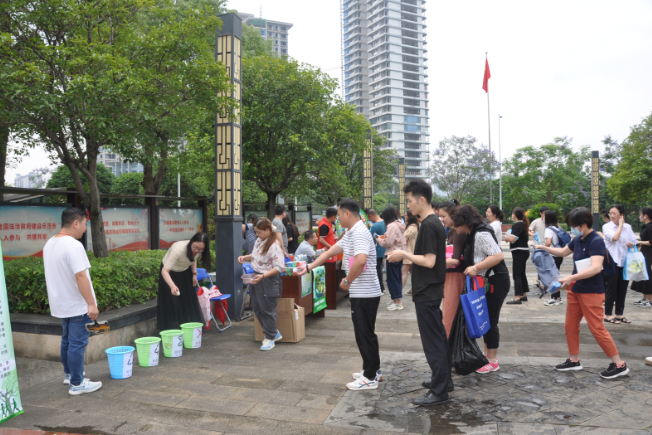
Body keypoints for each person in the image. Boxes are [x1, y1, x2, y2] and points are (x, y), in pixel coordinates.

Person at [297, 199, 382, 390]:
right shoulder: (352, 232)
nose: (337, 219)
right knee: (365, 333)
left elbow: (360, 261)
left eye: (339, 215)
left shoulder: (359, 233)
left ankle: (369, 377)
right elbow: (329, 253)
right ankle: (373, 370)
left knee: (364, 334)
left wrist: (347, 280)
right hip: (362, 291)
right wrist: (308, 267)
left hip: (365, 292)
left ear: (347, 213)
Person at [535, 207, 630, 379]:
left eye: (573, 225)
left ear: (583, 224)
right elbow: (563, 251)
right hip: (576, 290)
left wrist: (571, 277)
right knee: (570, 326)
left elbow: (595, 268)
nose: (572, 228)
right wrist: (543, 247)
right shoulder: (579, 239)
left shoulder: (596, 241)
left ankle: (619, 364)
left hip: (591, 292)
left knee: (597, 328)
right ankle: (574, 360)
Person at [388, 180, 450, 406]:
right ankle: (443, 381)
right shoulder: (431, 223)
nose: (408, 206)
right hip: (430, 289)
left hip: (427, 290)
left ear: (421, 200)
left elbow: (429, 261)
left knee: (433, 342)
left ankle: (439, 391)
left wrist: (403, 255)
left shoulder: (430, 225)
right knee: (438, 338)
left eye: (409, 201)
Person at [43, 207, 102, 396]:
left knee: (67, 341)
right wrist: (91, 304)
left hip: (61, 304)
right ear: (76, 223)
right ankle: (77, 383)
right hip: (77, 305)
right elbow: (80, 276)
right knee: (77, 344)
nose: (85, 228)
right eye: (85, 223)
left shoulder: (49, 244)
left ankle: (70, 375)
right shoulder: (74, 246)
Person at [451, 205, 511, 374]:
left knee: (490, 320)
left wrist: (476, 267)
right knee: (486, 319)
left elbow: (498, 255)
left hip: (495, 280)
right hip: (488, 280)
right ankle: (487, 356)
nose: (453, 227)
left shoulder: (481, 234)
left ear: (464, 221)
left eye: (455, 223)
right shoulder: (473, 232)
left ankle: (492, 360)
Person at [238, 219, 286, 351]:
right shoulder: (260, 240)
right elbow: (256, 256)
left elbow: (279, 267)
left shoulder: (274, 245)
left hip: (268, 279)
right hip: (257, 276)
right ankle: (273, 332)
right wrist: (245, 257)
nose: (256, 235)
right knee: (257, 308)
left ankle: (270, 337)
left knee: (267, 309)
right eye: (255, 232)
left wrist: (263, 276)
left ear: (268, 230)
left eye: (259, 232)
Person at [157, 232, 211, 331]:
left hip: (185, 271)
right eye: (195, 247)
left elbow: (193, 258)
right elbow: (164, 271)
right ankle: (173, 330)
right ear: (191, 242)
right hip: (170, 273)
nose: (197, 251)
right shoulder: (178, 250)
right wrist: (172, 286)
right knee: (172, 302)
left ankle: (188, 329)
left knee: (188, 299)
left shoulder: (198, 249)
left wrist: (194, 274)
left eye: (201, 249)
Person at [603, 205, 637, 324]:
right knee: (611, 289)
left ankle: (619, 314)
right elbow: (615, 238)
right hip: (612, 261)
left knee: (622, 289)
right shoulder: (607, 227)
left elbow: (634, 241)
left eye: (614, 213)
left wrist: (631, 244)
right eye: (610, 213)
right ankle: (608, 315)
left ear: (621, 214)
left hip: (625, 261)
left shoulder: (628, 227)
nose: (612, 216)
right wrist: (621, 225)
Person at [438, 201, 466, 337]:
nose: (441, 219)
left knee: (449, 312)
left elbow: (455, 259)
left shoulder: (459, 232)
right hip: (451, 274)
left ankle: (448, 344)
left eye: (443, 216)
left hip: (456, 275)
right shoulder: (452, 232)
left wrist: (434, 263)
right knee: (448, 311)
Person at [377, 207, 406, 310]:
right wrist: (383, 237)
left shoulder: (391, 226)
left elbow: (388, 242)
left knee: (392, 279)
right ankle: (396, 300)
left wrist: (379, 240)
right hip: (399, 254)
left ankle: (397, 302)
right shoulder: (399, 224)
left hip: (392, 255)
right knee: (396, 278)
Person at [506, 208, 530, 304]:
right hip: (523, 251)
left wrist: (507, 238)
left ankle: (517, 298)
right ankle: (523, 295)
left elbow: (512, 239)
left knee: (516, 275)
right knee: (521, 274)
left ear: (515, 215)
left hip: (519, 252)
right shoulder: (522, 224)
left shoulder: (518, 225)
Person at [543, 210, 565, 306]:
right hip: (559, 254)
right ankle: (558, 297)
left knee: (553, 277)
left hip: (552, 255)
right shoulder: (558, 227)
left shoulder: (548, 229)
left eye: (544, 217)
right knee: (556, 276)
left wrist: (543, 248)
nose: (543, 218)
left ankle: (554, 298)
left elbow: (548, 242)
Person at [632, 207, 652, 307]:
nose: (639, 217)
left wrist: (640, 242)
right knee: (644, 275)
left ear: (646, 216)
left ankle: (650, 300)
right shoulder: (646, 226)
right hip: (644, 253)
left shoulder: (650, 227)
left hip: (649, 254)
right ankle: (645, 298)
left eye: (641, 215)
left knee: (648, 275)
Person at [368, 209, 387, 295]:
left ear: (370, 216)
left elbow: (372, 241)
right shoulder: (386, 223)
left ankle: (380, 288)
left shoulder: (374, 226)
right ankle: (382, 288)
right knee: (380, 269)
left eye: (369, 218)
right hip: (385, 250)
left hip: (377, 251)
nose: (369, 220)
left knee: (377, 270)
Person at [402, 211, 419, 296]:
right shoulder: (415, 226)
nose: (404, 216)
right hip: (412, 251)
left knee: (404, 271)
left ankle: (399, 290)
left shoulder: (412, 227)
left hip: (409, 251)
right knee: (413, 272)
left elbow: (403, 238)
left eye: (406, 215)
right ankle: (414, 289)